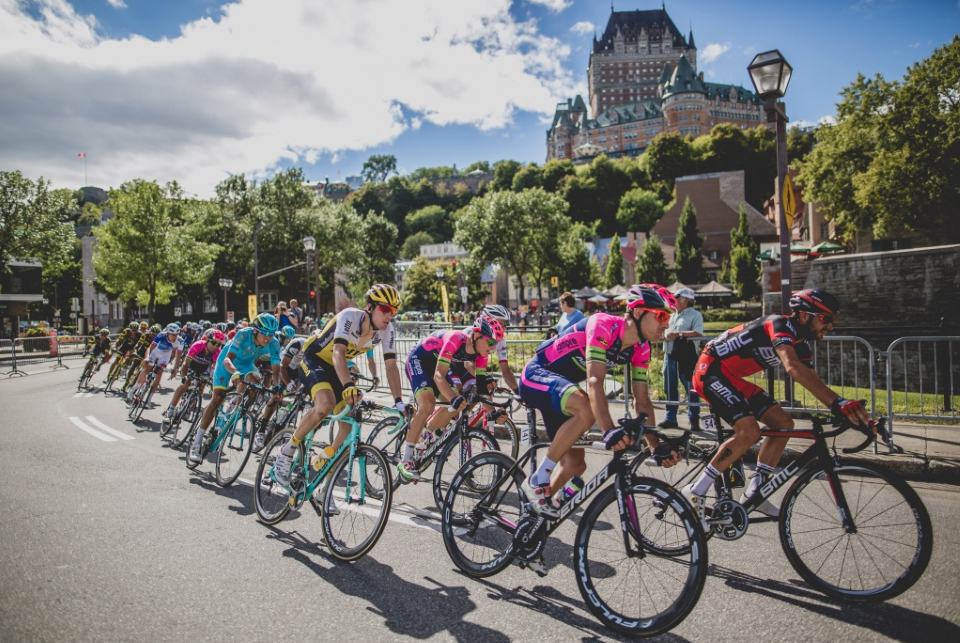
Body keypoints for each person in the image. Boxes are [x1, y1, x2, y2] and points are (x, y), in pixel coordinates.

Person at [684, 289, 873, 520]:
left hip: (732, 378)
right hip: (710, 371)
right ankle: (695, 491)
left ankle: (756, 491)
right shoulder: (779, 324)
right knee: (749, 431)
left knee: (783, 423)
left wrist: (843, 408)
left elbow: (809, 378)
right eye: (826, 319)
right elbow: (792, 367)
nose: (830, 326)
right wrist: (838, 403)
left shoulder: (801, 343)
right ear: (804, 315)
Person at [518, 284, 681, 518]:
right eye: (662, 316)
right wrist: (608, 430)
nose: (666, 324)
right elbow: (594, 381)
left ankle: (533, 515)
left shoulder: (641, 348)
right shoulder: (603, 324)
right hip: (537, 375)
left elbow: (642, 399)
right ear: (637, 312)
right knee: (586, 408)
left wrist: (655, 446)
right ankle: (537, 479)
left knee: (575, 466)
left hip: (561, 390)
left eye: (669, 318)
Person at [271, 284, 407, 486]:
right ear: (369, 307)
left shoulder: (386, 331)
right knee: (325, 405)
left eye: (393, 311)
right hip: (315, 359)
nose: (389, 316)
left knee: (349, 421)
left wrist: (399, 402)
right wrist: (347, 385)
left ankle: (324, 468)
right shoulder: (350, 317)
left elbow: (391, 366)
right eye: (385, 309)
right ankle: (286, 452)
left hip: (337, 368)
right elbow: (338, 353)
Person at [401, 315, 503, 482]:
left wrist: (492, 411)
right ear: (477, 336)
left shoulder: (481, 355)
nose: (493, 348)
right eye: (491, 342)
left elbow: (482, 389)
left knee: (459, 402)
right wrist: (452, 398)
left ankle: (425, 435)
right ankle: (405, 460)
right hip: (419, 359)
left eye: (496, 344)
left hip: (437, 364)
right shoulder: (456, 339)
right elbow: (439, 375)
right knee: (428, 404)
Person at [188, 313, 282, 464]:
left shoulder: (274, 343)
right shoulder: (244, 334)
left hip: (246, 364)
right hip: (227, 363)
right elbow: (227, 360)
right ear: (256, 330)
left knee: (256, 381)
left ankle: (233, 409)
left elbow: (276, 370)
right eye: (264, 333)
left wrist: (278, 386)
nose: (268, 338)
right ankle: (197, 443)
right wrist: (235, 373)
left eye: (271, 334)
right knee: (217, 398)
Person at [659, 288, 704, 430]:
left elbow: (698, 333)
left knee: (691, 388)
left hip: (686, 357)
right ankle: (670, 418)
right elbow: (664, 331)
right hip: (670, 355)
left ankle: (694, 419)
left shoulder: (695, 315)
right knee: (669, 388)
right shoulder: (671, 315)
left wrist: (678, 334)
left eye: (676, 299)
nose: (673, 301)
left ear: (685, 300)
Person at [163, 330, 224, 419]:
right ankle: (171, 408)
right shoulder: (198, 345)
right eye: (214, 342)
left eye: (218, 344)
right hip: (191, 365)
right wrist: (184, 377)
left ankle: (189, 407)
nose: (215, 346)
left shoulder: (217, 352)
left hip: (203, 368)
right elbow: (185, 364)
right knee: (185, 383)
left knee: (201, 386)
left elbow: (214, 368)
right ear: (208, 340)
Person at [127, 324, 183, 403]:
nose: (174, 337)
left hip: (165, 356)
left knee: (160, 372)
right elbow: (150, 348)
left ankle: (149, 399)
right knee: (147, 368)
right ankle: (134, 388)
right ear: (167, 333)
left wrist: (175, 369)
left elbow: (178, 357)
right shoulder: (161, 335)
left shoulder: (180, 341)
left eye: (176, 335)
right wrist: (147, 358)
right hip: (155, 352)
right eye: (173, 335)